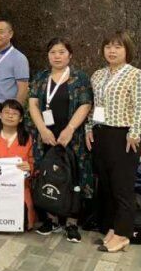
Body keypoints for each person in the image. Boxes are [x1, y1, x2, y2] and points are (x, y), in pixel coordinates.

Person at [89, 31, 141, 253]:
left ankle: (123, 234)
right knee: (107, 185)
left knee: (122, 187)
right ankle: (112, 229)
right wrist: (88, 128)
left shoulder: (136, 75)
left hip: (124, 136)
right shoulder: (98, 75)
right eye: (108, 46)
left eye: (117, 47)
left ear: (127, 50)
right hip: (101, 133)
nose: (112, 51)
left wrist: (135, 132)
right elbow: (95, 105)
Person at [26, 38, 93, 241]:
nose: (57, 56)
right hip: (46, 137)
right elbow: (33, 104)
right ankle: (51, 219)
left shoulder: (79, 78)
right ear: (48, 55)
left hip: (72, 137)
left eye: (62, 52)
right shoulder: (41, 77)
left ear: (70, 55)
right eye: (53, 52)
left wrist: (70, 129)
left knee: (74, 176)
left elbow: (85, 105)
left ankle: (72, 222)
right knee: (48, 175)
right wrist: (42, 129)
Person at [0, 99, 35, 229]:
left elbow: (32, 163)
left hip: (19, 186)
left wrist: (29, 168)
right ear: (0, 115)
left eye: (15, 114)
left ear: (21, 119)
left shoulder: (27, 138)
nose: (10, 116)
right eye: (7, 112)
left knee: (25, 223)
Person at [0, 20, 30, 132]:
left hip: (5, 111)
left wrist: (14, 112)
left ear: (10, 34)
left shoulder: (19, 58)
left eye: (1, 32)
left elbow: (23, 89)